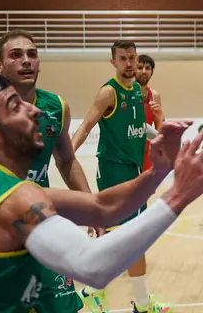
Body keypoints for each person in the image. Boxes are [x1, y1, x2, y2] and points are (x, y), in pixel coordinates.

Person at [0, 73, 203, 312]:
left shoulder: (0, 186)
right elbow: (91, 265)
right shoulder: (15, 198)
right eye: (16, 107)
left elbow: (101, 207)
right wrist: (178, 195)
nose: (34, 110)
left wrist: (159, 171)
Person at [0, 29, 91, 312]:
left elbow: (67, 161)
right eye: (16, 55)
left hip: (42, 225)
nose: (26, 61)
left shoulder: (56, 107)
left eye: (32, 54)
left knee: (60, 306)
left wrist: (89, 204)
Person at [71, 40, 170, 313]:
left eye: (132, 58)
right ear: (113, 62)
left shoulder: (139, 91)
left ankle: (103, 293)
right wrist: (66, 154)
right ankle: (135, 301)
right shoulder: (108, 93)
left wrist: (164, 135)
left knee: (127, 239)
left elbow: (141, 129)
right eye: (123, 59)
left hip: (135, 172)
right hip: (113, 172)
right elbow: (87, 124)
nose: (129, 64)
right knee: (130, 240)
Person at [136, 54, 165, 173]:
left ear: (152, 72)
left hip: (147, 152)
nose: (144, 71)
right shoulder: (125, 94)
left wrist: (159, 116)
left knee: (145, 190)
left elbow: (160, 127)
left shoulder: (155, 96)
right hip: (128, 151)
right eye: (140, 67)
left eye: (147, 68)